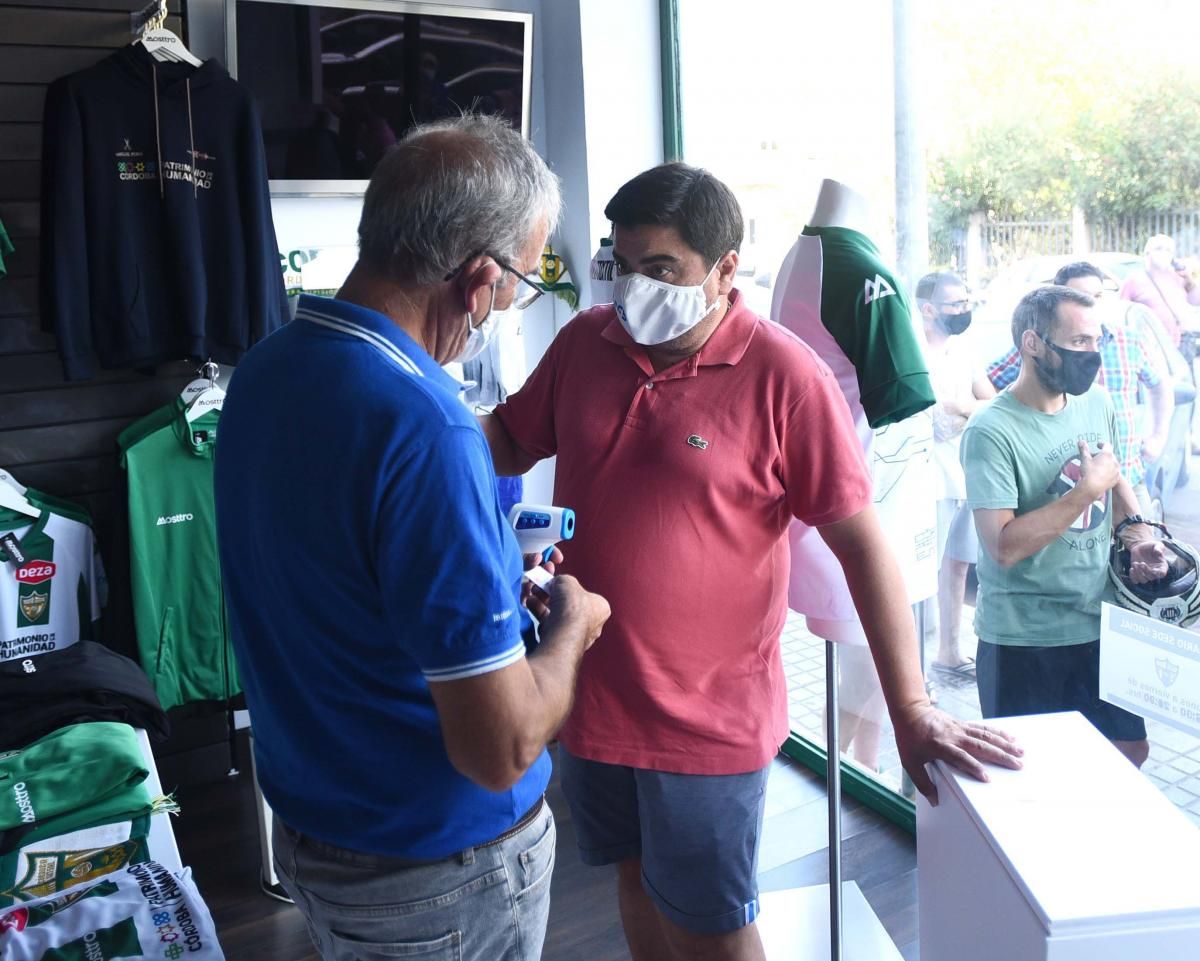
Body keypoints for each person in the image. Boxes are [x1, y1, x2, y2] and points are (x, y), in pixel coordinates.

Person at [481, 162, 1023, 961]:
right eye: (620, 264)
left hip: (706, 721)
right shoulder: (585, 344)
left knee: (713, 923)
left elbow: (862, 544)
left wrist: (909, 706)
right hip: (587, 691)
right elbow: (507, 437)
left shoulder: (784, 376)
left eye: (661, 269)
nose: (634, 288)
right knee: (633, 877)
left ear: (725, 268)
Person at [213, 115, 611, 961]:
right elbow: (499, 747)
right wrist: (574, 629)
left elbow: (341, 578)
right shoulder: (429, 426)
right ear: (476, 281)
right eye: (512, 289)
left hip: (317, 835)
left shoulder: (265, 369)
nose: (505, 308)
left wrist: (491, 567)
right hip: (438, 870)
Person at [962, 285, 1170, 769]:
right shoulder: (991, 431)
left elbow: (1114, 481)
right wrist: (1082, 492)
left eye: (1096, 342)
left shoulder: (1096, 403)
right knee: (1031, 771)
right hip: (1022, 639)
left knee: (1128, 749)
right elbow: (1003, 547)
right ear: (1033, 343)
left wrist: (1139, 536)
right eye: (1079, 343)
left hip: (1099, 620)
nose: (1091, 355)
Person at [986, 262, 1172, 515]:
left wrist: (1158, 437)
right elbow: (991, 385)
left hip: (1126, 477)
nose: (1091, 304)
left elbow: (1161, 385)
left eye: (1097, 296)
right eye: (1080, 296)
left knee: (1140, 546)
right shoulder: (1038, 349)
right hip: (1063, 490)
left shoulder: (1130, 342)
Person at [915, 271, 995, 679]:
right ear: (929, 309)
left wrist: (961, 406)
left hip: (965, 471)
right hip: (926, 478)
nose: (963, 310)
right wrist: (962, 408)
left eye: (967, 302)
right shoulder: (911, 350)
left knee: (959, 563)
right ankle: (914, 668)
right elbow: (929, 412)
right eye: (955, 304)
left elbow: (988, 401)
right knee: (922, 570)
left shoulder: (963, 350)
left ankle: (949, 650)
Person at [1120, 234, 1200, 349]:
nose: (1164, 252)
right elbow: (1123, 314)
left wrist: (1190, 281)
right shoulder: (1133, 280)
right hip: (1150, 346)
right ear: (1147, 253)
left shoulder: (1179, 276)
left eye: (1168, 250)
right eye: (1159, 248)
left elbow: (1195, 301)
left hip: (1181, 343)